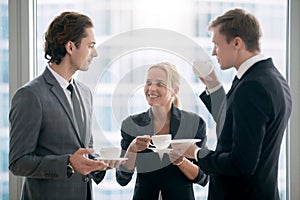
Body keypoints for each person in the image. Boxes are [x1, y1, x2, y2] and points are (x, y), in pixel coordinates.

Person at [175, 8, 292, 200]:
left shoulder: (252, 87)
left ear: (237, 43)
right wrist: (214, 87)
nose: (213, 52)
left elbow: (240, 164)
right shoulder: (271, 78)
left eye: (217, 45)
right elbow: (236, 124)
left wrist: (196, 153)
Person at [9, 11, 121, 200]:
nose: (95, 53)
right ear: (70, 47)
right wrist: (68, 164)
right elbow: (18, 162)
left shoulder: (85, 93)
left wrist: (100, 163)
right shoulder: (30, 95)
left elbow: (84, 151)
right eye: (91, 45)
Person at [115, 62, 208, 200]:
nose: (152, 88)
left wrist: (181, 162)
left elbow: (203, 178)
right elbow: (122, 178)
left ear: (175, 90)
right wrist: (132, 149)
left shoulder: (194, 123)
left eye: (160, 84)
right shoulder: (131, 124)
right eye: (148, 82)